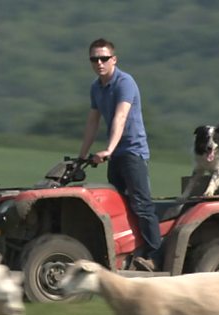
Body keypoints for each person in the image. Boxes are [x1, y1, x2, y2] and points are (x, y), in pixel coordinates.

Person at [78, 38, 162, 271]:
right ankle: (130, 252)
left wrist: (109, 150)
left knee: (142, 204)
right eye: (94, 59)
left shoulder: (125, 83)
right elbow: (93, 121)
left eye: (104, 58)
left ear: (114, 59)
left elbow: (120, 117)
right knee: (119, 205)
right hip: (115, 154)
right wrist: (81, 155)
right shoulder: (96, 87)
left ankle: (156, 255)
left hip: (132, 152)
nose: (99, 63)